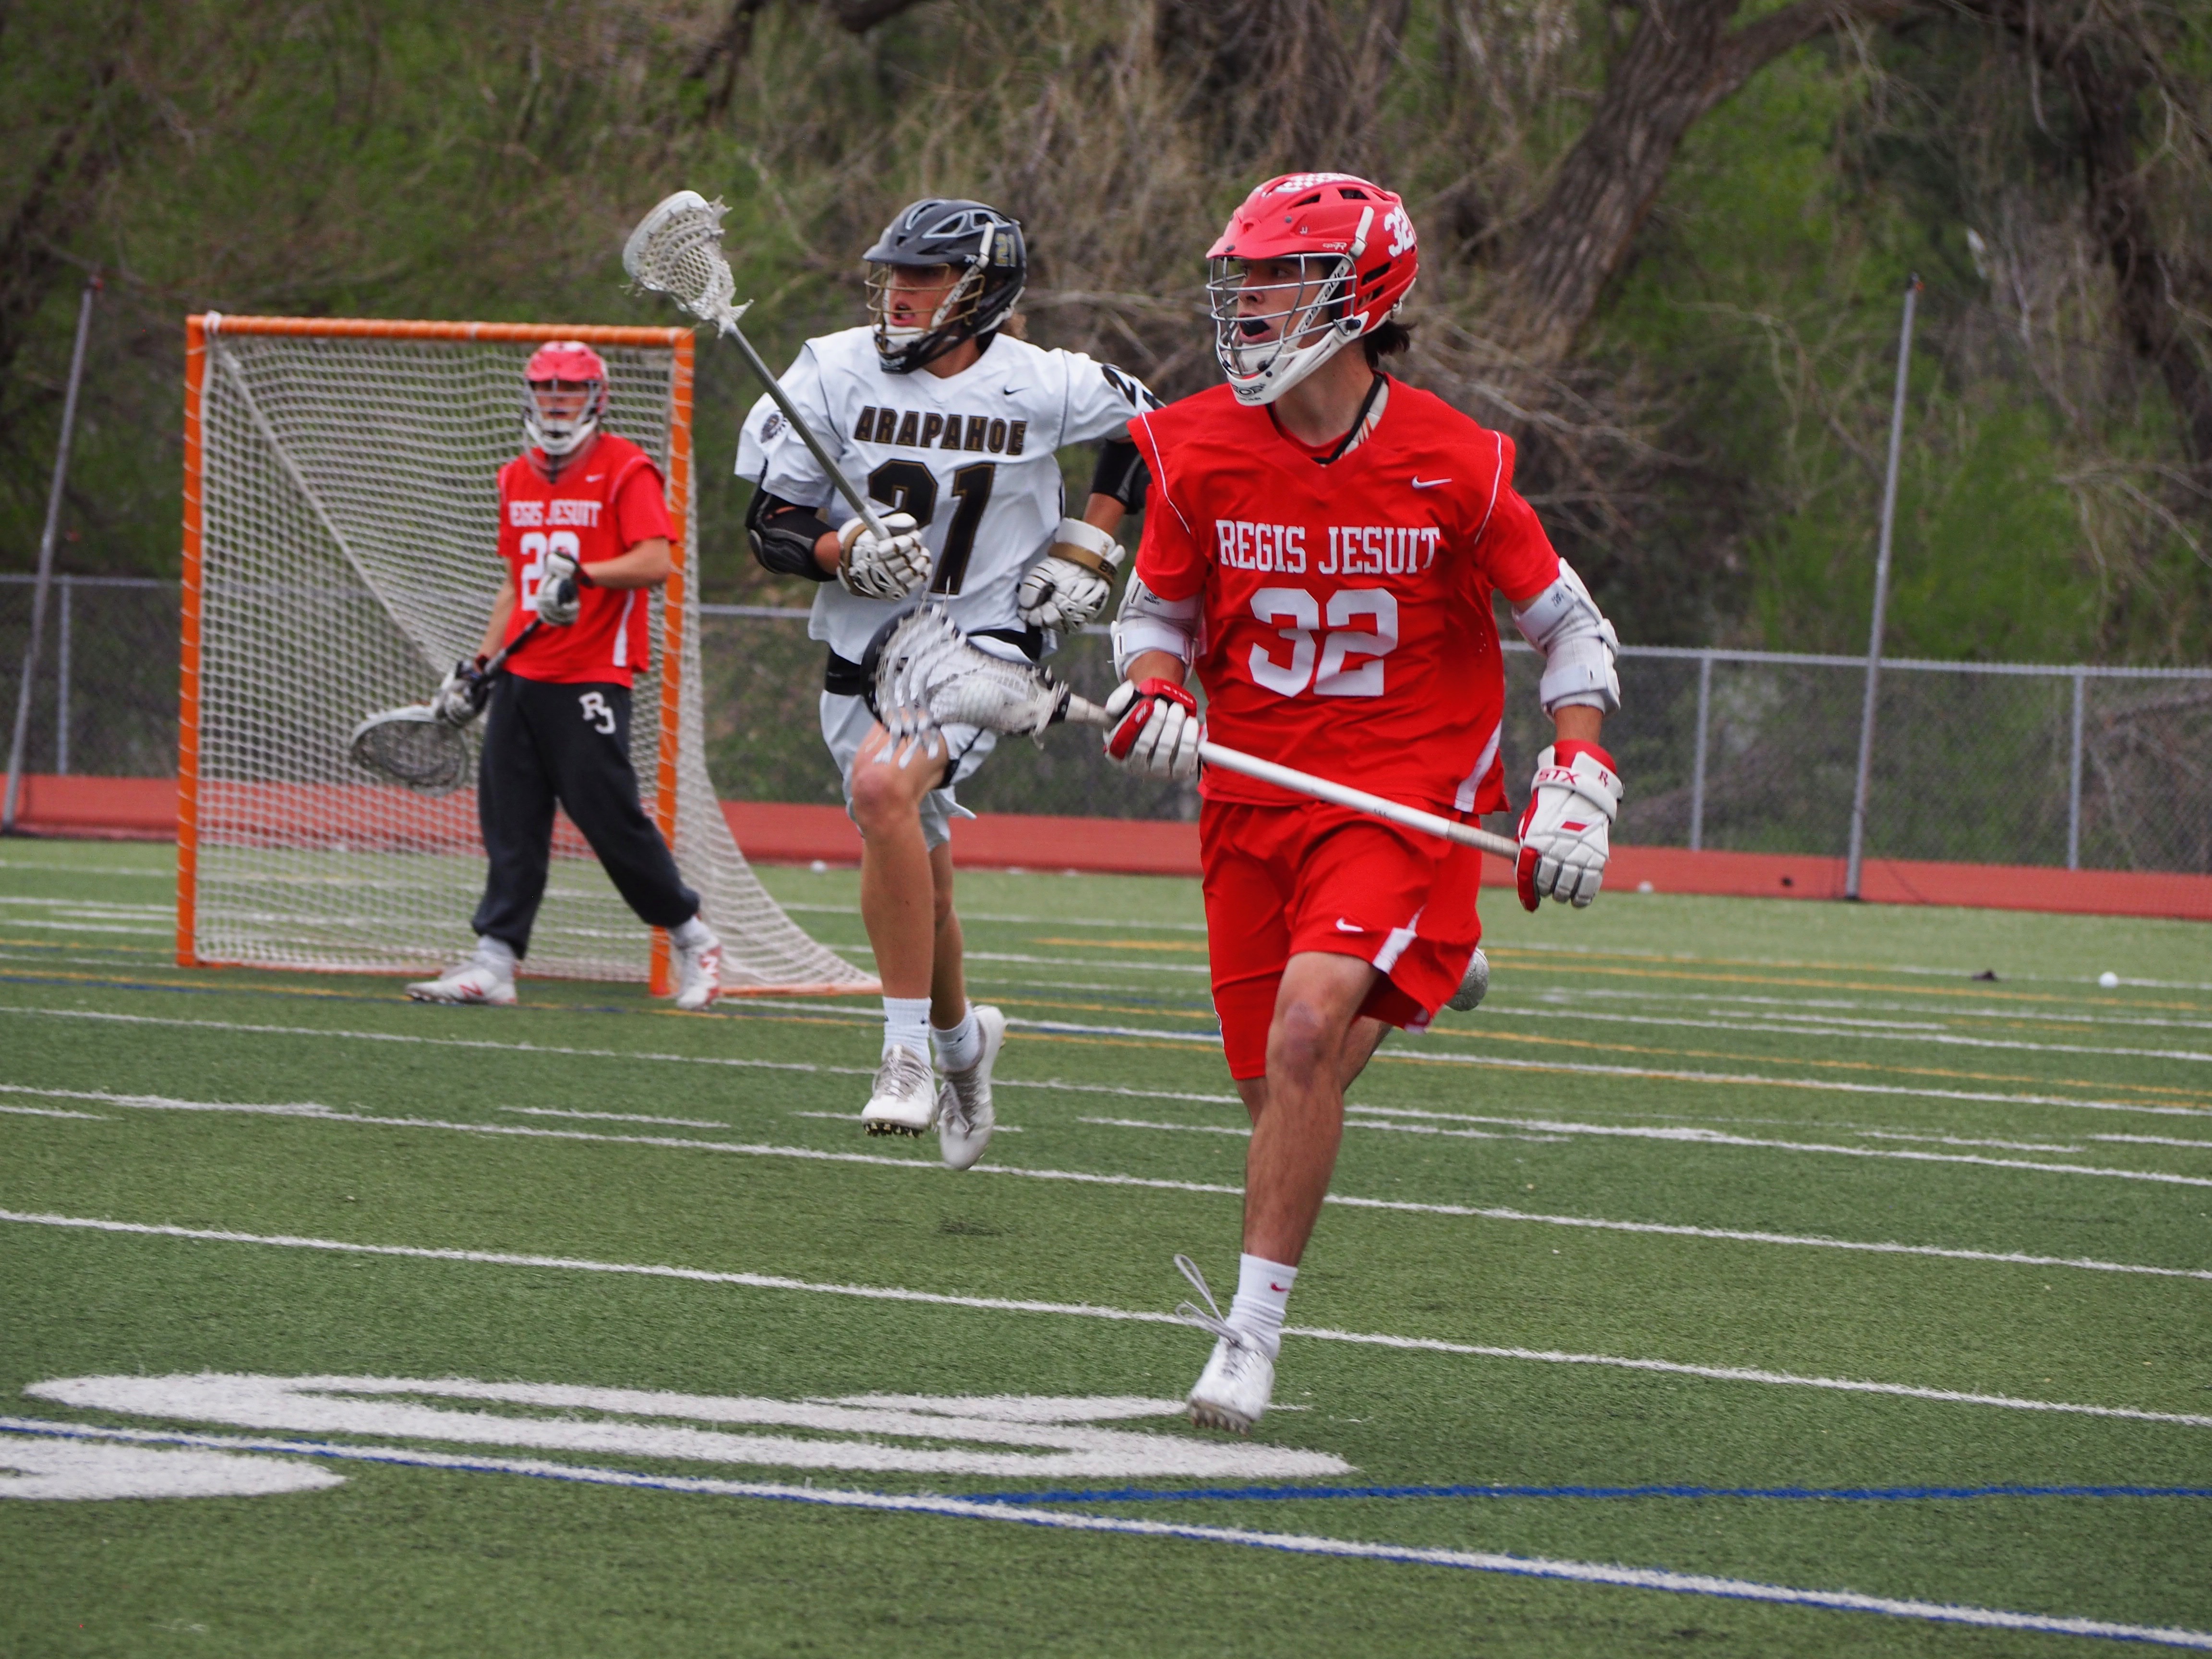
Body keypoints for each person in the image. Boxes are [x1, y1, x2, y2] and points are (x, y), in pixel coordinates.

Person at [1101, 174, 1623, 1432]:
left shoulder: (1455, 460)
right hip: (1252, 797)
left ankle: (1249, 1338)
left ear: (1358, 294)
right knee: (1278, 1086)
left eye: (1279, 279)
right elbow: (1151, 617)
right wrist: (1155, 694)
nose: (1251, 304)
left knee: (1303, 1039)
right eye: (1247, 279)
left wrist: (1577, 776)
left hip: (1400, 792)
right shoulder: (1195, 447)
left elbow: (1571, 632)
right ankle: (1434, 955)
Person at [735, 197, 1157, 1170]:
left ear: (981, 293)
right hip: (864, 653)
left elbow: (1157, 426)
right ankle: (967, 1048)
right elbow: (770, 524)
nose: (899, 293)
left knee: (885, 789)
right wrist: (842, 550)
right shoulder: (831, 369)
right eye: (892, 274)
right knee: (917, 867)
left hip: (985, 643)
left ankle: (905, 1055)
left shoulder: (1042, 383)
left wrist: (1089, 542)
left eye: (923, 277)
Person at [407, 340, 725, 1011]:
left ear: (596, 398)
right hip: (523, 673)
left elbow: (655, 562)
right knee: (511, 821)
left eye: (570, 390)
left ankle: (695, 936)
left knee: (608, 819)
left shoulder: (625, 469)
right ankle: (495, 960)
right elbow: (513, 587)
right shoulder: (514, 476)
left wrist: (586, 574)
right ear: (530, 395)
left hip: (591, 674)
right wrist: (479, 665)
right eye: (547, 389)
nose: (557, 402)